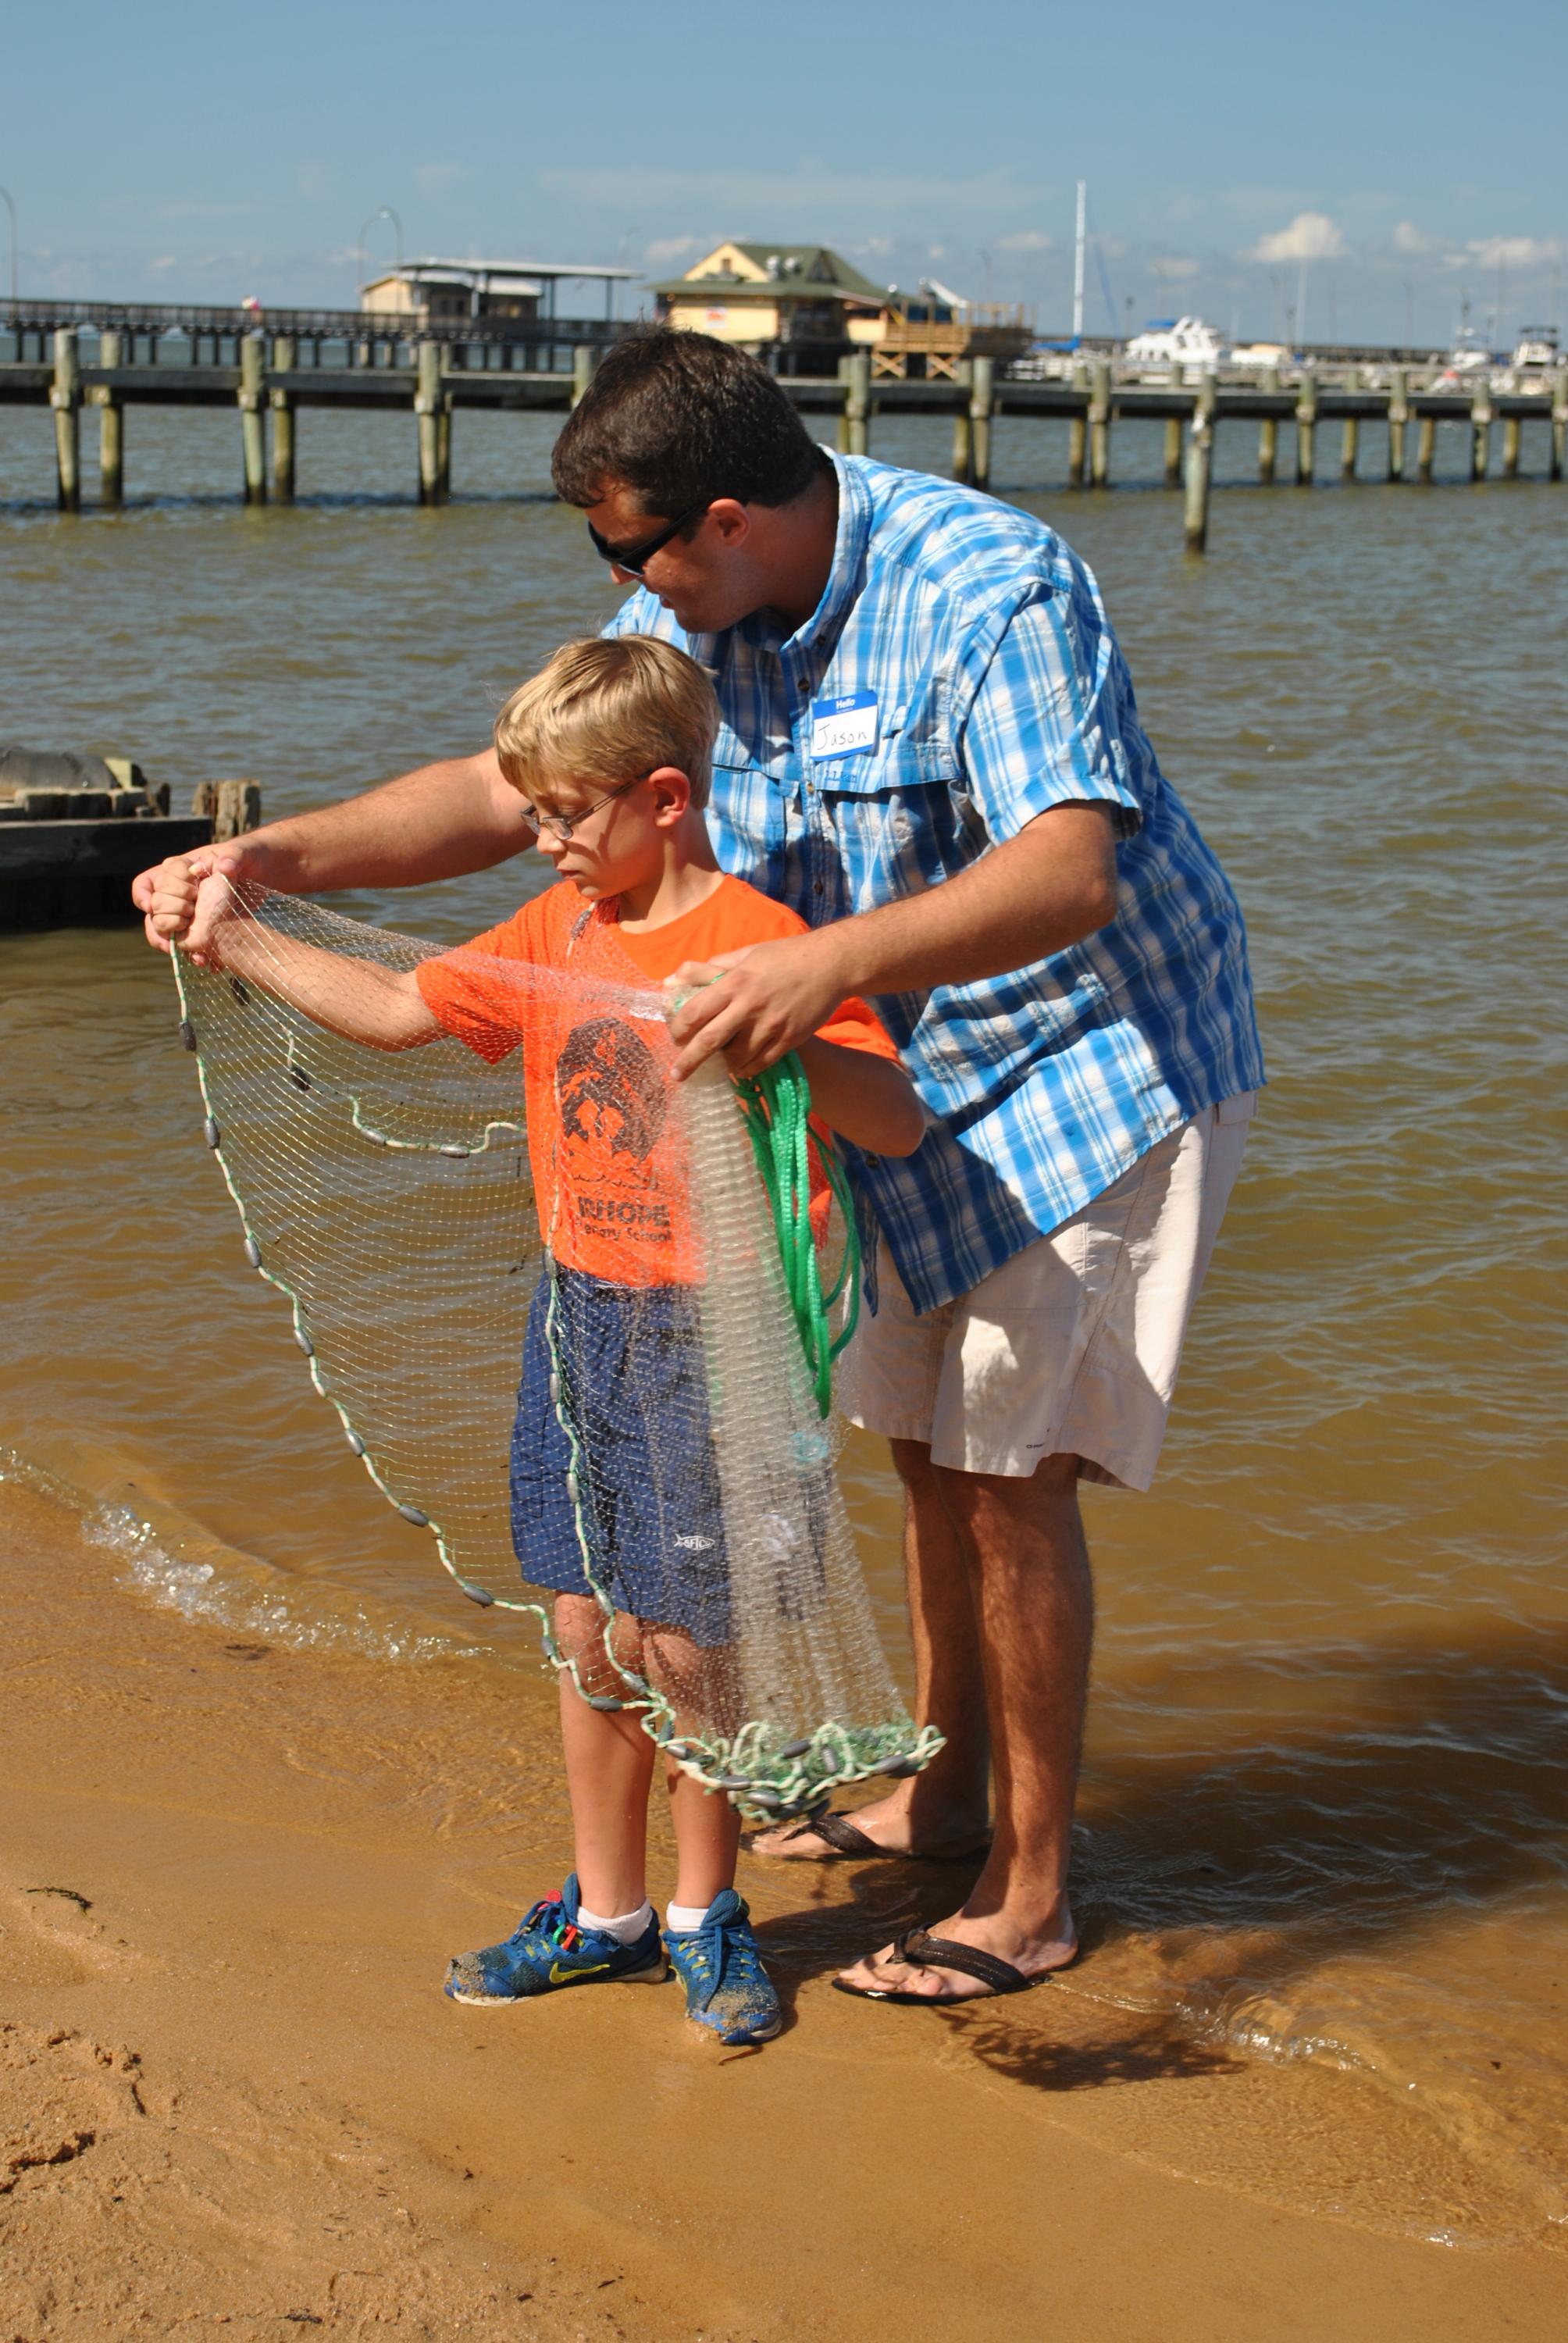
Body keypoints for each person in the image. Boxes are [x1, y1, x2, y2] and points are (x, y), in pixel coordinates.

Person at [138, 330, 1264, 2007]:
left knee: (1010, 1474)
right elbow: (511, 788)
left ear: (722, 519)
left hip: (1077, 1056)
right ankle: (940, 1800)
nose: (619, 587)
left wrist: (821, 970)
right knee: (918, 1451)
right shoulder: (692, 612)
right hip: (830, 1058)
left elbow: (1069, 869)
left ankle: (1026, 1896)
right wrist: (268, 855)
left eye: (628, 554)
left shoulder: (988, 587)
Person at [150, 633, 923, 2044]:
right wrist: (237, 931)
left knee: (689, 1641)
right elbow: (397, 1006)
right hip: (579, 1318)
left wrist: (784, 1035)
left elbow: (893, 1120)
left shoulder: (760, 942)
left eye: (569, 812)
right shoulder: (554, 929)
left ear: (668, 799)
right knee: (583, 1623)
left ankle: (707, 1913)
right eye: (537, 809)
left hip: (715, 1332)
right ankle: (607, 1911)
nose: (546, 836)